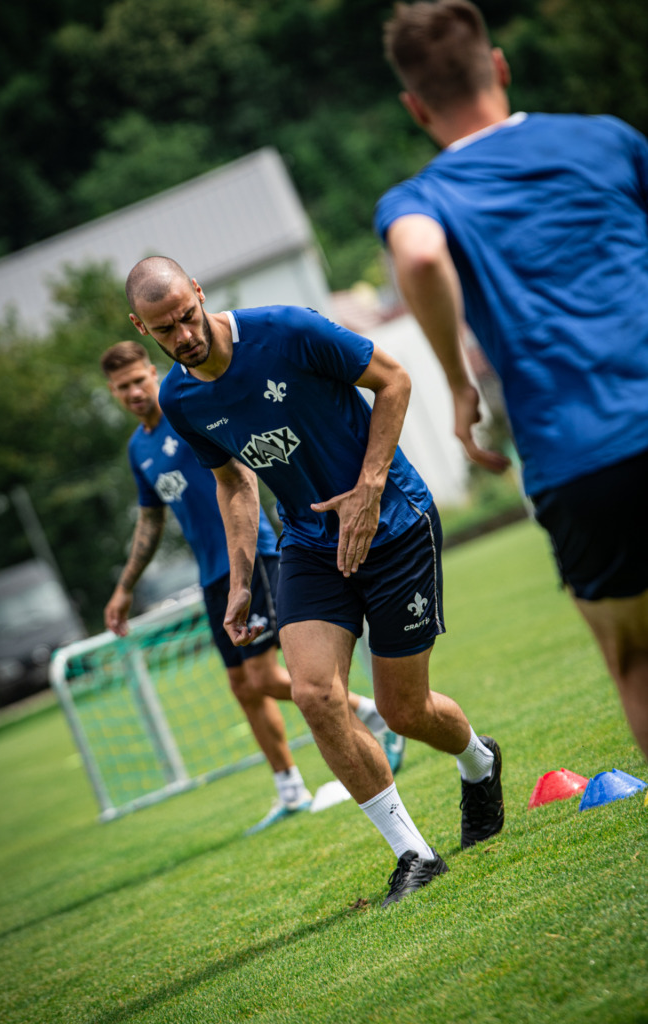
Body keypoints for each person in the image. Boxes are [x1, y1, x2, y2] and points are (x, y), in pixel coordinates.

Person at [124, 255, 504, 908]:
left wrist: (369, 486)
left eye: (187, 316)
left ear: (199, 292)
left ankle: (479, 760)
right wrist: (242, 580)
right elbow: (233, 481)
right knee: (313, 693)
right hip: (307, 543)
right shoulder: (179, 400)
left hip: (393, 524)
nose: (184, 336)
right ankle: (413, 853)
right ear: (142, 328)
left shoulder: (287, 330)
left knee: (402, 711)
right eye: (165, 330)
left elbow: (394, 379)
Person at [375, 0, 648, 760]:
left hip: (580, 458)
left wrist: (458, 381)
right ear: (497, 66)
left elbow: (419, 255)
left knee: (635, 659)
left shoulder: (420, 197)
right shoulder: (606, 138)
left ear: (414, 106)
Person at [100, 340, 404, 835]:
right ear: (112, 392)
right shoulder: (139, 449)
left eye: (138, 380)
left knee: (264, 676)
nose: (133, 392)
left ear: (153, 373)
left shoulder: (186, 412)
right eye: (122, 387)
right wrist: (124, 588)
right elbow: (151, 521)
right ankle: (290, 789)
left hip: (253, 556)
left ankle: (368, 713)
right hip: (210, 575)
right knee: (243, 686)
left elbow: (239, 474)